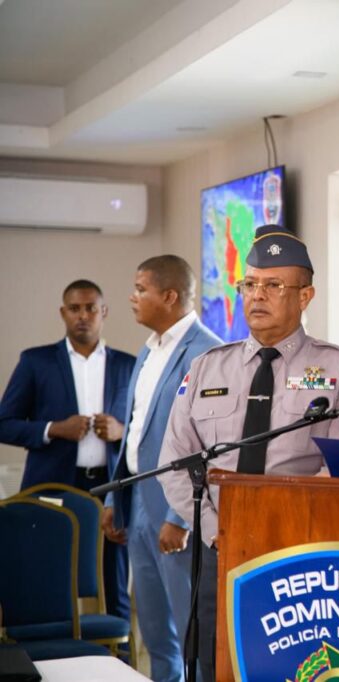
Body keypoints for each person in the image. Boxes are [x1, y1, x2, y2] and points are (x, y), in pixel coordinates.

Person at [158, 225, 339, 681]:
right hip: (218, 548)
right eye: (250, 284)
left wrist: (285, 526)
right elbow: (174, 461)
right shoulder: (207, 366)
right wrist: (216, 531)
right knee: (215, 663)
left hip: (299, 551)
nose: (257, 295)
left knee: (291, 667)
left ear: (305, 296)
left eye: (274, 285)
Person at [100, 256, 221, 682]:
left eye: (141, 289)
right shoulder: (148, 350)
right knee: (154, 633)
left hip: (177, 511)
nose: (132, 297)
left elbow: (210, 442)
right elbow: (135, 429)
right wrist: (115, 497)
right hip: (137, 502)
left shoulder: (207, 352)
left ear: (169, 296)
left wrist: (179, 517)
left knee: (192, 633)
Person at [0, 279, 134, 621]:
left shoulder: (128, 365)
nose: (83, 316)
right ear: (63, 313)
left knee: (114, 580)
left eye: (91, 308)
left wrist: (121, 431)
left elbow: (148, 429)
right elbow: (4, 423)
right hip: (52, 486)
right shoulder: (36, 361)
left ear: (104, 312)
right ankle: (49, 650)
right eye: (75, 308)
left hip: (109, 488)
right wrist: (53, 428)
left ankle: (119, 652)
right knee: (45, 579)